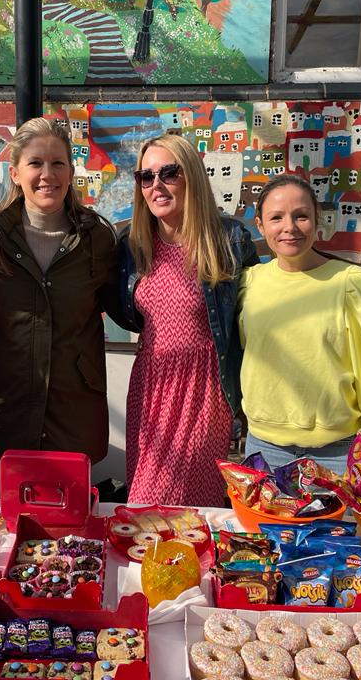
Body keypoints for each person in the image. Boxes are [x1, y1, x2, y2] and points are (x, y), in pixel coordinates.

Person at [0, 117, 119, 496]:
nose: (47, 174)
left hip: (72, 409)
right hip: (4, 407)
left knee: (69, 532)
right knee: (5, 527)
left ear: (71, 170)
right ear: (15, 173)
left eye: (57, 163)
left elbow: (129, 305)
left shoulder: (97, 237)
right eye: (35, 163)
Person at [118, 134, 258, 507]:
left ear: (191, 176)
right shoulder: (133, 245)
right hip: (150, 387)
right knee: (146, 507)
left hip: (204, 390)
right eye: (145, 177)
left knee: (170, 504)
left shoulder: (228, 239)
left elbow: (258, 318)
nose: (156, 185)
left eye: (168, 173)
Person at [239, 174, 361, 475]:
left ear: (317, 220)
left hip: (338, 454)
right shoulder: (250, 282)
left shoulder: (353, 283)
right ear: (260, 225)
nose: (289, 228)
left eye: (301, 216)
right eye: (276, 218)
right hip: (264, 449)